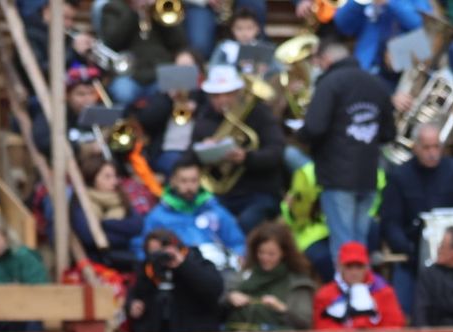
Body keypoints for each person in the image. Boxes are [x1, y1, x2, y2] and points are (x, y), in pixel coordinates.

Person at [298, 41, 394, 271]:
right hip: (368, 176)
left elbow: (314, 128)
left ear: (327, 60)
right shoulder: (377, 84)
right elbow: (389, 133)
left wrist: (299, 134)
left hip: (337, 177)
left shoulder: (330, 83)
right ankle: (363, 299)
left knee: (343, 248)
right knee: (359, 246)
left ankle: (349, 301)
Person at [383, 122, 453, 314]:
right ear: (415, 147)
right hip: (412, 255)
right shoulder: (400, 175)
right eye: (426, 147)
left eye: (436, 147)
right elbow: (391, 223)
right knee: (402, 308)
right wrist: (409, 249)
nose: (432, 153)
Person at [191, 64, 285, 234]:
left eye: (228, 94)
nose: (222, 100)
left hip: (259, 192)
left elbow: (276, 152)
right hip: (222, 195)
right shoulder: (204, 121)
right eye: (216, 96)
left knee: (245, 223)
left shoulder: (260, 114)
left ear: (238, 93)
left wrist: (246, 158)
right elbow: (188, 159)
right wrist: (202, 151)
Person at [136, 156, 246, 270]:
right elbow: (144, 251)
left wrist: (238, 258)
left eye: (194, 180)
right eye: (183, 181)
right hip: (177, 271)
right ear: (173, 181)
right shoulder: (157, 217)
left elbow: (238, 243)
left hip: (218, 270)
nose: (189, 186)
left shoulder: (214, 210)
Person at [127, 230, 227, 332]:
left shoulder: (196, 261)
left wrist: (183, 265)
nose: (159, 257)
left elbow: (214, 289)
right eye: (154, 253)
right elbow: (134, 294)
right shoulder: (147, 270)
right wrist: (133, 304)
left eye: (162, 251)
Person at [223, 220, 316, 332]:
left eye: (271, 254)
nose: (265, 258)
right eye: (261, 252)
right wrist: (230, 297)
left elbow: (305, 323)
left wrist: (282, 308)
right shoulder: (240, 277)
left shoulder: (298, 283)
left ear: (284, 253)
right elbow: (216, 309)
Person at [315, 240, 406, 329]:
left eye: (359, 266)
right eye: (349, 266)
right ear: (339, 267)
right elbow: (323, 329)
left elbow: (395, 326)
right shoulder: (325, 295)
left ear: (367, 267)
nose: (354, 272)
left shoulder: (384, 292)